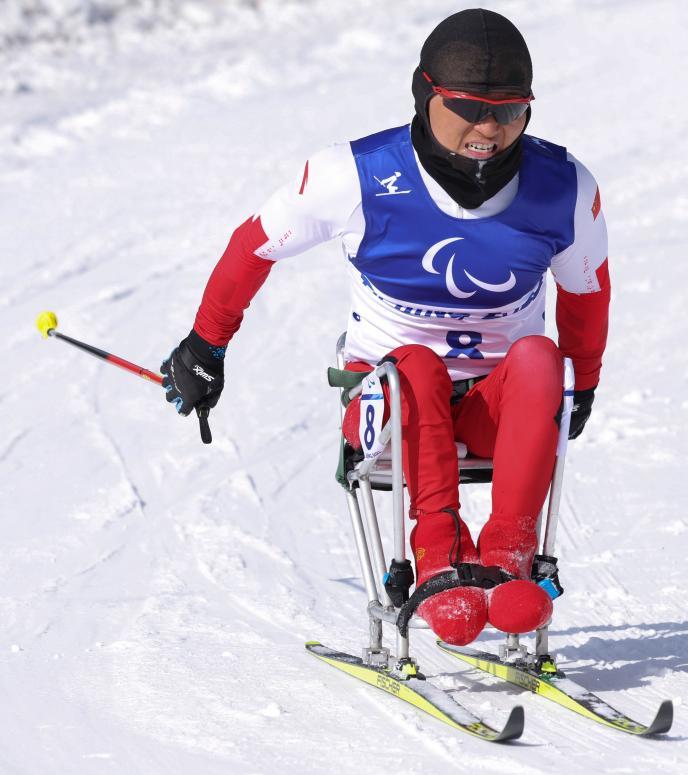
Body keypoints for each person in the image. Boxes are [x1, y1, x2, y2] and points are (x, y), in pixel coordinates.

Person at [160, 9, 610, 647]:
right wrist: (206, 345)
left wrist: (583, 386)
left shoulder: (563, 186)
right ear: (428, 97)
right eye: (471, 108)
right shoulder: (356, 174)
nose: (491, 129)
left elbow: (589, 292)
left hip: (495, 408)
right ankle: (438, 560)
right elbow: (253, 247)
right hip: (390, 408)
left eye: (510, 110)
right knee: (415, 366)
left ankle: (507, 559)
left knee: (542, 357)